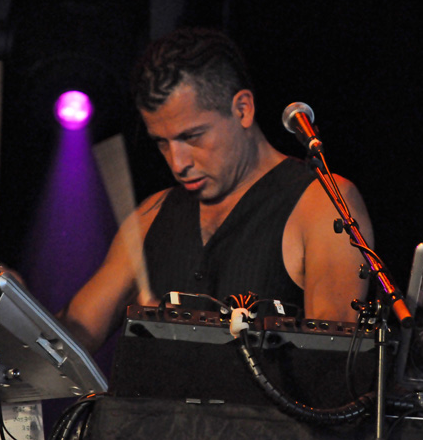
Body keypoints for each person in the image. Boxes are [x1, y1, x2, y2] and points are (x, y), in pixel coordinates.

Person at [58, 27, 373, 354]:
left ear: (242, 109)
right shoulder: (152, 216)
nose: (178, 163)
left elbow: (329, 361)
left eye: (192, 137)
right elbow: (68, 344)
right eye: (162, 143)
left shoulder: (322, 204)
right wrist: (23, 317)